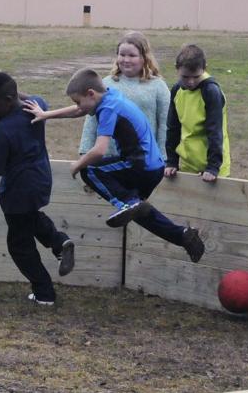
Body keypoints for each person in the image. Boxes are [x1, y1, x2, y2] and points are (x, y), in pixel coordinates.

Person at [27, 67, 205, 263]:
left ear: (91, 94)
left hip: (140, 166)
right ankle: (183, 236)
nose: (77, 106)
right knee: (139, 214)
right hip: (154, 168)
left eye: (77, 100)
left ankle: (126, 203)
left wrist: (77, 165)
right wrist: (46, 114)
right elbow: (80, 109)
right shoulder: (110, 96)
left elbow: (99, 150)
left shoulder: (108, 108)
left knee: (90, 170)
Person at [0, 72, 75, 306]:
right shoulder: (36, 107)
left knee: (19, 246)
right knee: (31, 219)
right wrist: (15, 94)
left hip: (17, 192)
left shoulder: (3, 130)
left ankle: (44, 293)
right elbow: (30, 97)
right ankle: (59, 242)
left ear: (7, 99)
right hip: (41, 182)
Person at [79, 31, 170, 159]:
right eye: (122, 55)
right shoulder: (105, 84)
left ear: (144, 57)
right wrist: (85, 150)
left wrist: (164, 156)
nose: (126, 60)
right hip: (109, 157)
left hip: (143, 160)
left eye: (132, 55)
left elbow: (164, 124)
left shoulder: (158, 86)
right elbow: (92, 120)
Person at [165, 44, 230, 183]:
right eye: (185, 76)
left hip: (213, 167)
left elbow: (215, 131)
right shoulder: (177, 90)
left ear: (204, 68)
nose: (190, 82)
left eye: (196, 76)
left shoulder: (211, 91)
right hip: (188, 166)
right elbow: (173, 128)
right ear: (176, 68)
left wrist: (213, 167)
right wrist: (171, 161)